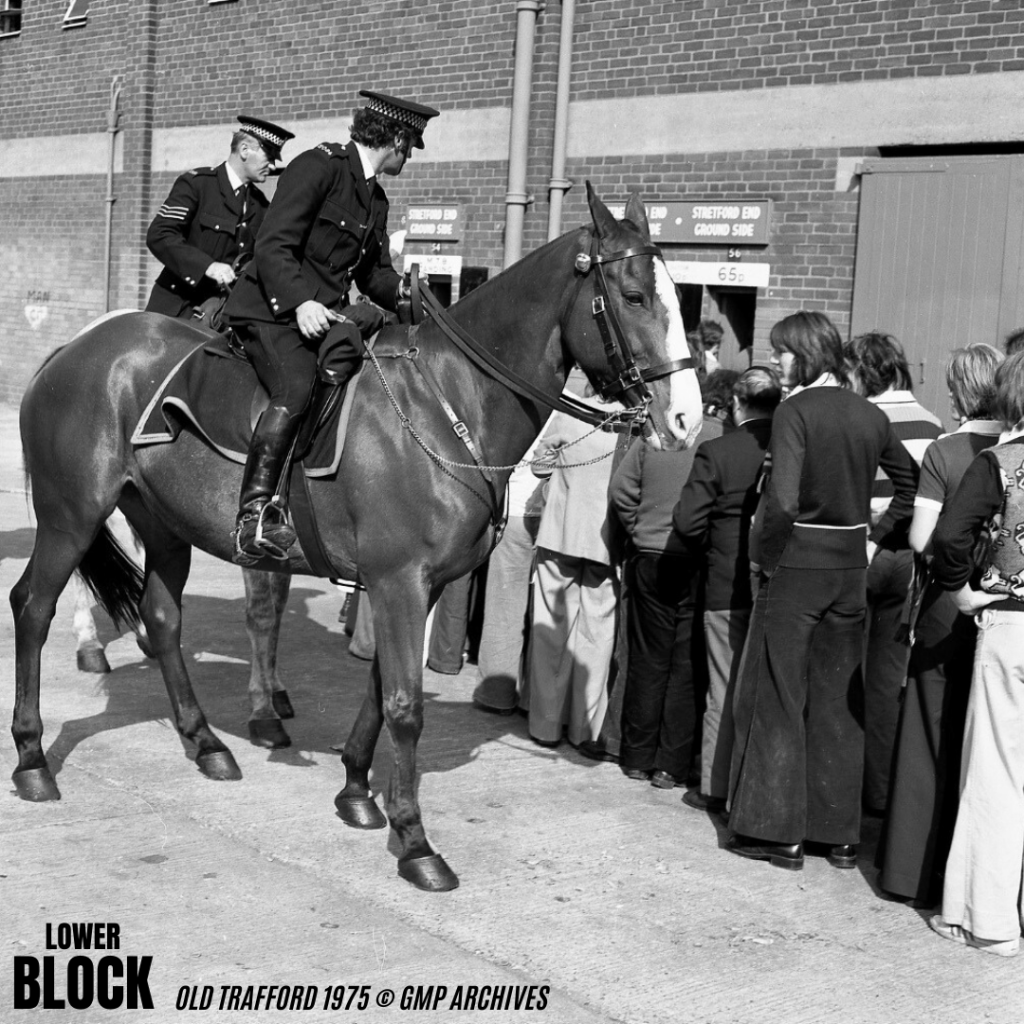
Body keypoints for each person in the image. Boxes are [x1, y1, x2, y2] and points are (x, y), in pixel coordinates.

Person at [726, 311, 918, 872]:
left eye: (784, 352)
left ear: (807, 353)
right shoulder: (868, 413)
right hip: (848, 570)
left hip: (798, 566)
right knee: (840, 702)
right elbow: (908, 483)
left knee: (780, 695)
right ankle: (839, 836)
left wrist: (765, 557)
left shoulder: (795, 412)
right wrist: (872, 540)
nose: (779, 361)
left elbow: (782, 502)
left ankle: (776, 832)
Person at [222, 90, 440, 563]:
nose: (409, 158)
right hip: (271, 310)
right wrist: (300, 302)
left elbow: (373, 275)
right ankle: (253, 514)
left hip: (322, 318)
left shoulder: (375, 199)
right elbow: (273, 245)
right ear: (398, 139)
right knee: (295, 387)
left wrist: (411, 298)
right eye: (410, 147)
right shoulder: (318, 166)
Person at [877, 344, 1003, 907]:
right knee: (979, 746)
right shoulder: (1011, 450)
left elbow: (923, 540)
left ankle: (911, 872)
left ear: (960, 390)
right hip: (999, 604)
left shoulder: (947, 451)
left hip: (946, 604)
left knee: (927, 733)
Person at [927, 350, 1024, 958]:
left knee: (995, 769)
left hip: (1013, 623)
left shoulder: (1002, 463)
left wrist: (963, 588)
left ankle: (986, 921)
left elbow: (949, 537)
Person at [673, 366, 781, 813]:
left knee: (723, 686)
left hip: (725, 582)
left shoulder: (717, 451)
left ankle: (716, 785)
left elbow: (686, 521)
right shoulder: (789, 448)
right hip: (778, 584)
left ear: (736, 404)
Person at [845, 331, 942, 815]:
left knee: (840, 672)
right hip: (909, 562)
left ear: (862, 371)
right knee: (886, 684)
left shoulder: (863, 418)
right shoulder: (932, 422)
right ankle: (878, 796)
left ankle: (836, 788)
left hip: (863, 550)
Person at [525, 374, 623, 751]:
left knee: (551, 631)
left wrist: (564, 476)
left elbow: (539, 466)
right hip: (605, 541)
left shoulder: (570, 417)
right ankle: (585, 729)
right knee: (597, 635)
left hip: (560, 533)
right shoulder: (630, 427)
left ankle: (546, 725)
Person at [609, 424, 707, 788]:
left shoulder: (651, 439)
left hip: (650, 553)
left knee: (648, 659)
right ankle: (671, 765)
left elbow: (621, 488)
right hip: (695, 558)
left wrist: (640, 528)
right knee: (684, 665)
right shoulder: (719, 436)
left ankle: (636, 757)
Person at [145, 115, 294, 320]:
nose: (272, 167)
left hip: (220, 315)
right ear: (244, 150)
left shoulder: (260, 205)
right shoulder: (198, 185)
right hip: (177, 309)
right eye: (268, 158)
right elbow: (160, 234)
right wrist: (208, 266)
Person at [471, 437, 548, 714]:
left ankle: (496, 694)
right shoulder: (575, 410)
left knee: (504, 605)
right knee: (548, 611)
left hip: (517, 509)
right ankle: (534, 702)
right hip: (554, 512)